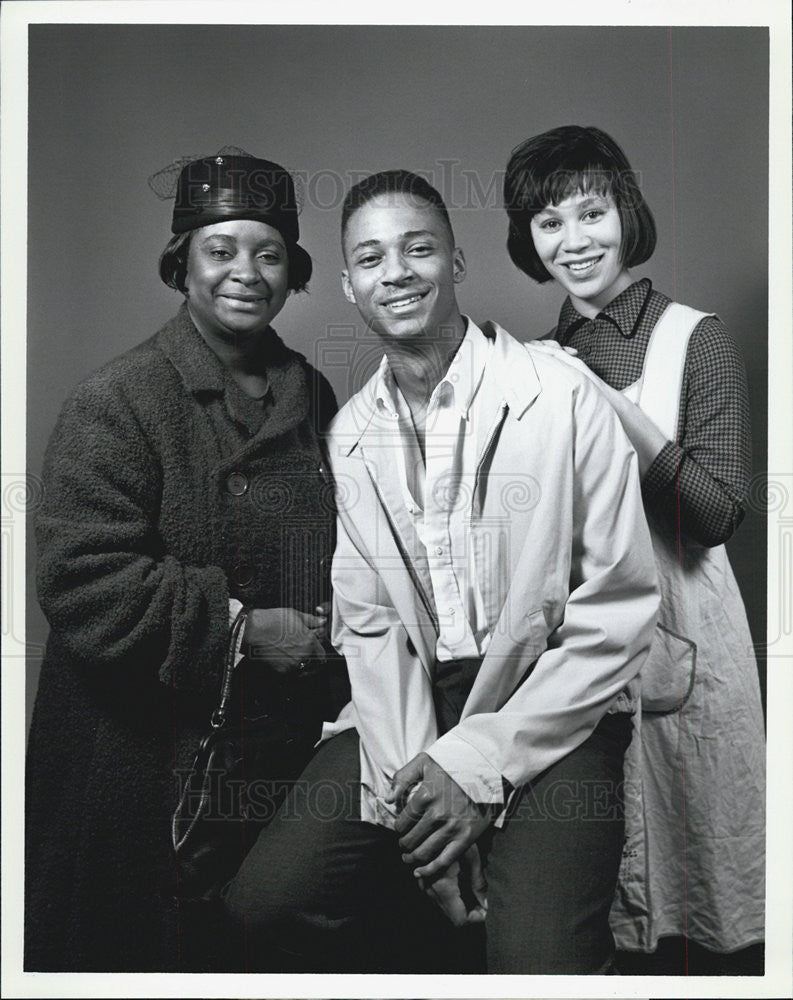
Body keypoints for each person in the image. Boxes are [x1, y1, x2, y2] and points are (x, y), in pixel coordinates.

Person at [222, 169, 660, 974]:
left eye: (418, 248)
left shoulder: (562, 395)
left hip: (557, 708)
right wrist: (416, 792)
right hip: (413, 705)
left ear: (455, 263)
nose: (396, 271)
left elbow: (619, 611)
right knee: (264, 906)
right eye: (371, 257)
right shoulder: (351, 433)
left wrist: (476, 765)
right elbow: (370, 625)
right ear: (350, 285)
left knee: (533, 960)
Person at [24, 151, 345, 971]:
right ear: (182, 265)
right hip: (138, 766)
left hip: (274, 754)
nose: (246, 271)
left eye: (268, 253)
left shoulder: (312, 395)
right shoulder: (120, 397)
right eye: (220, 249)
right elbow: (81, 581)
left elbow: (348, 544)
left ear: (293, 271)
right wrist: (241, 631)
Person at [502, 124, 766, 966]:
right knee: (594, 908)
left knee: (697, 896)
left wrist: (614, 408)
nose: (573, 241)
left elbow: (717, 516)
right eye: (549, 224)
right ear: (528, 241)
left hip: (685, 636)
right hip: (576, 658)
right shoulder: (532, 362)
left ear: (627, 212)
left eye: (591, 212)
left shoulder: (697, 338)